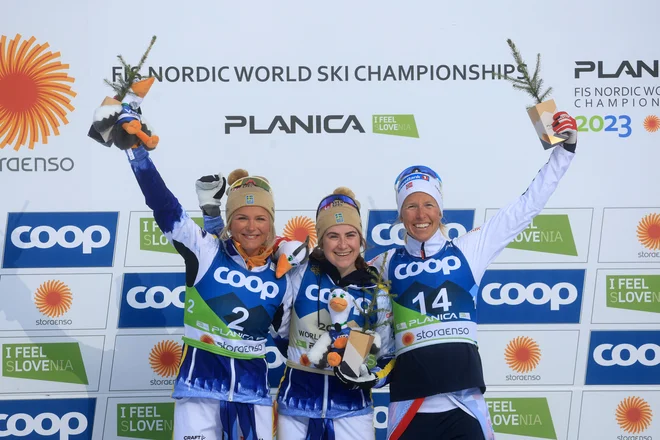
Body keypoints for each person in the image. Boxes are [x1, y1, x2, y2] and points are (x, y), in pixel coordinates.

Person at [364, 112, 578, 439]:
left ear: (440, 210)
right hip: (408, 409)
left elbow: (526, 207)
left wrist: (564, 152)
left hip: (464, 408)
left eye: (428, 204)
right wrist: (361, 369)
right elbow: (366, 329)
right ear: (399, 214)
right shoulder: (383, 264)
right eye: (411, 206)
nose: (421, 215)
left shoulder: (468, 248)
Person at [197, 185, 395, 440]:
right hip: (297, 409)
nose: (343, 244)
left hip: (353, 411)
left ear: (361, 239)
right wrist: (213, 218)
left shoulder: (375, 290)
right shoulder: (300, 272)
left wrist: (370, 377)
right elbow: (236, 261)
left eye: (350, 235)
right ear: (322, 240)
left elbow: (387, 356)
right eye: (333, 236)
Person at [124, 146, 294, 440]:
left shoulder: (283, 274)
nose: (251, 227)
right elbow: (164, 207)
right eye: (242, 217)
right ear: (231, 221)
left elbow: (288, 342)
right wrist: (137, 154)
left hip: (252, 396)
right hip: (199, 390)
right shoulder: (205, 250)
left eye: (260, 218)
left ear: (271, 223)